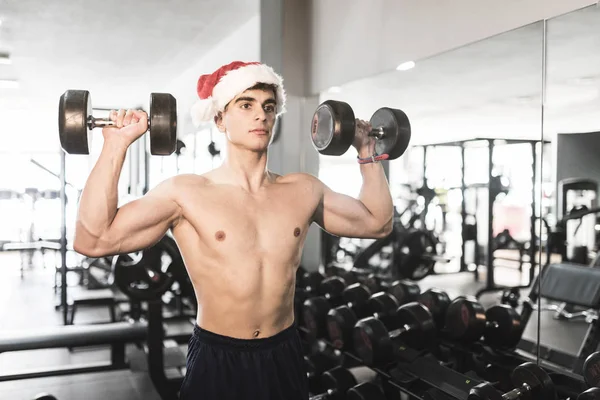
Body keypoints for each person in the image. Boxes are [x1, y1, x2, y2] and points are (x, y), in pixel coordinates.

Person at [73, 60, 394, 400]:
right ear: (220, 119)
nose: (261, 116)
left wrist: (367, 154)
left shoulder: (302, 191)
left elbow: (377, 223)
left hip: (282, 353)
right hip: (217, 356)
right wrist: (116, 144)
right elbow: (93, 239)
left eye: (269, 107)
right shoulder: (186, 193)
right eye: (246, 105)